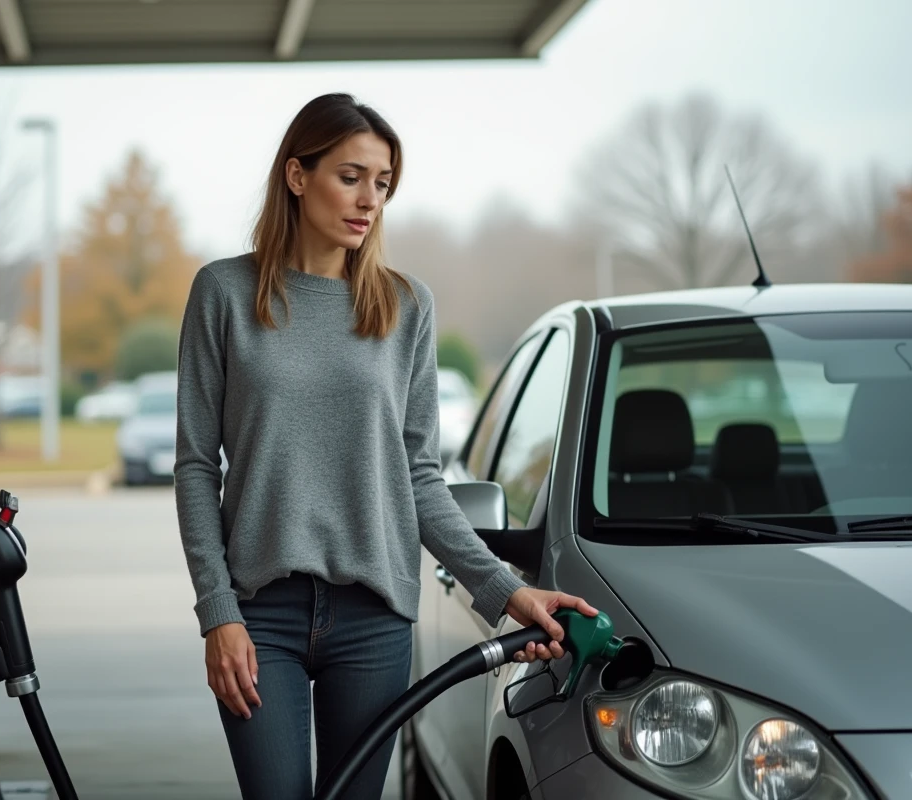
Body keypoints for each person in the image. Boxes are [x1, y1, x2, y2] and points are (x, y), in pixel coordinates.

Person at [174, 92, 598, 800]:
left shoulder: (406, 306)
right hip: (260, 615)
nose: (369, 199)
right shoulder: (224, 292)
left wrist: (508, 591)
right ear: (297, 174)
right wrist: (217, 612)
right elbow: (194, 467)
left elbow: (419, 479)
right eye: (351, 176)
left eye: (383, 183)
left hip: (373, 620)